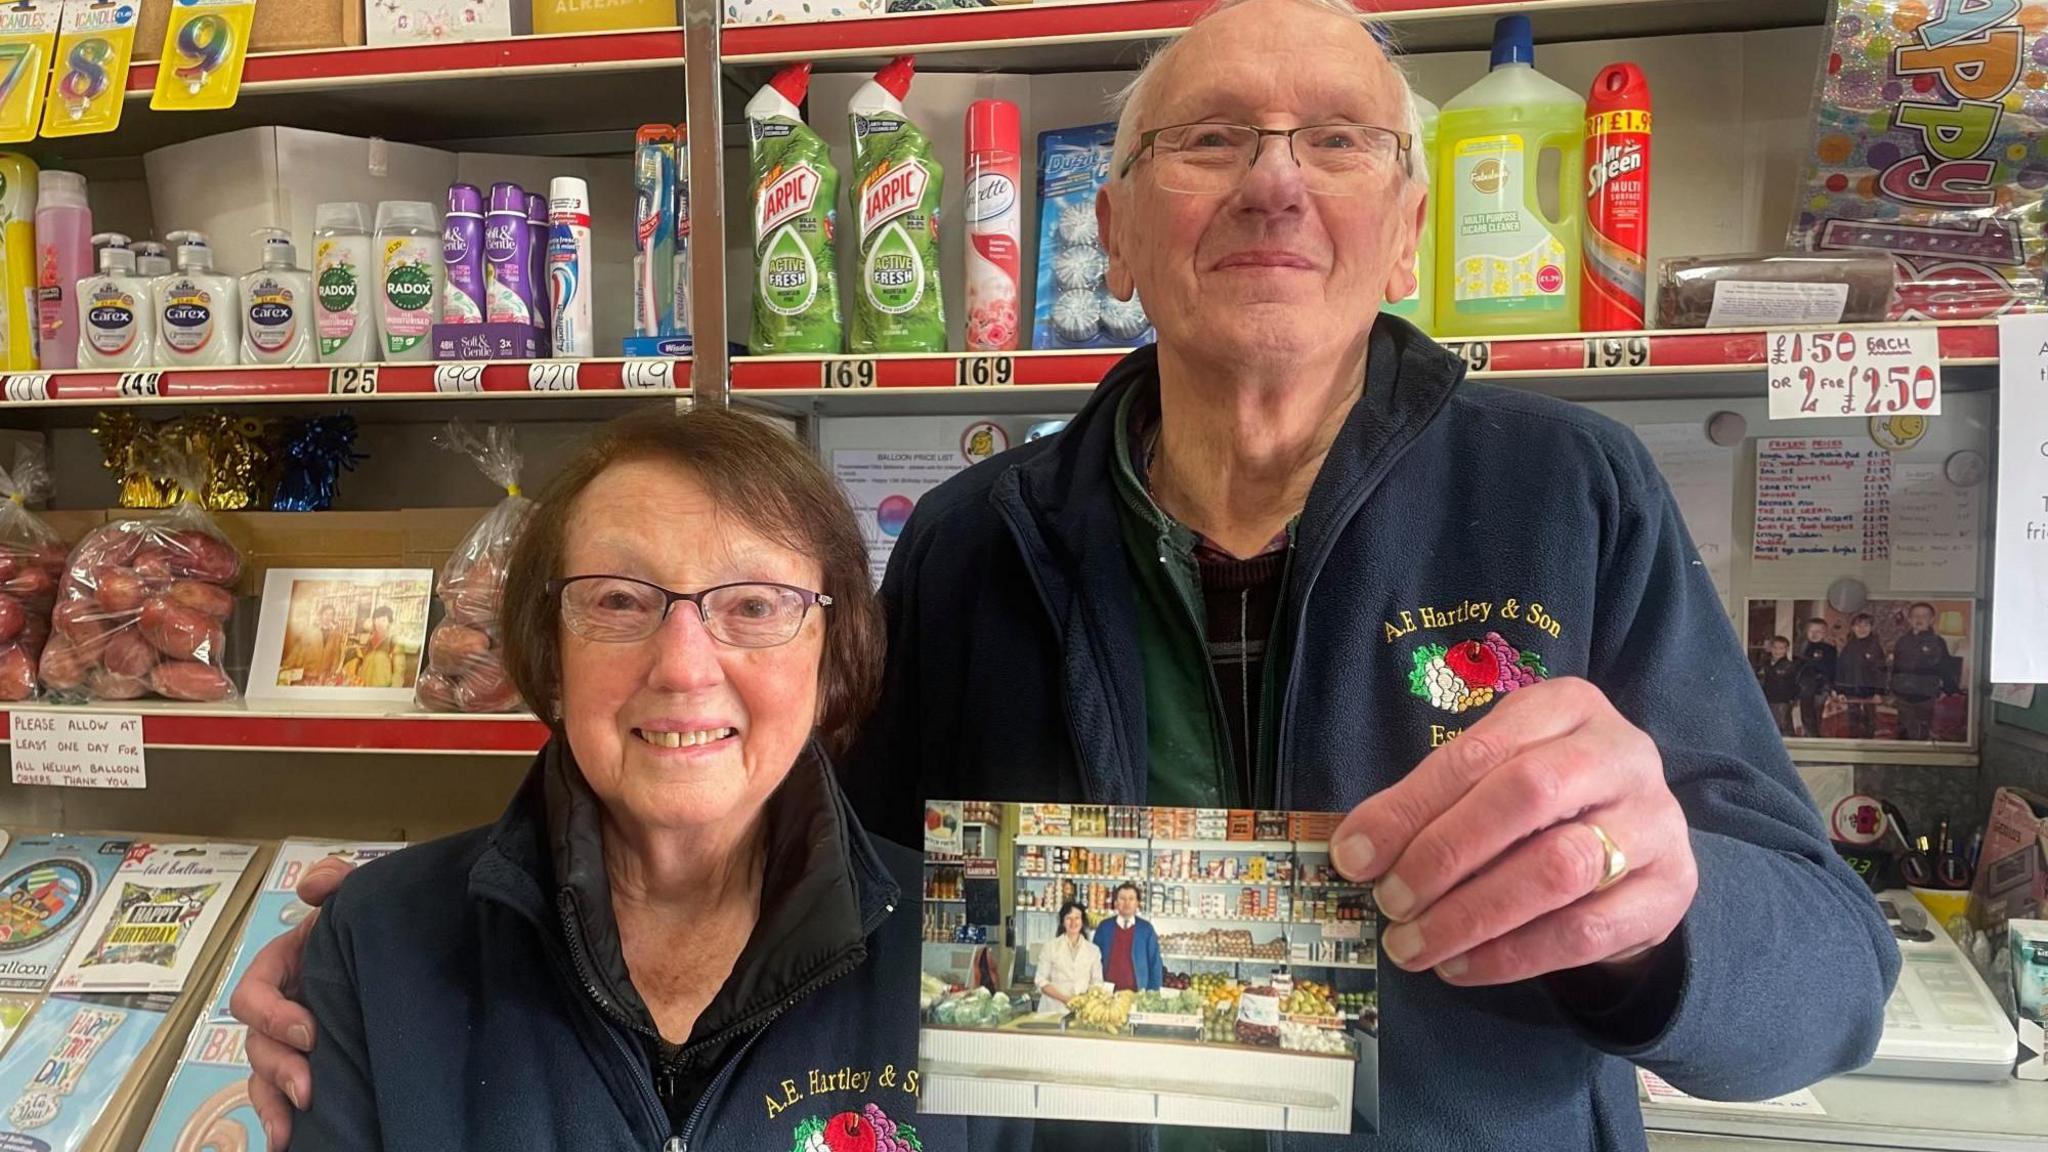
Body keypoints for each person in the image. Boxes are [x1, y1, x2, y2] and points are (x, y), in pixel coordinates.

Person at [238, 1, 1899, 1147]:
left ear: (1406, 229)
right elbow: (803, 894)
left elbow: (1817, 988)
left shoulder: (1572, 496)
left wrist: (1662, 910)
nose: (1271, 178)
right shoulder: (975, 542)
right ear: (1107, 233)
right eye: (1210, 140)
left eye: (1334, 138)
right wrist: (448, 951)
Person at [235, 409, 1018, 1152]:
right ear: (550, 655)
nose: (683, 666)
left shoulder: (977, 949)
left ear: (832, 656)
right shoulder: (378, 945)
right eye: (618, 600)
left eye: (753, 604)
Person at [1889, 602, 1951, 742]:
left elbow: (1945, 666)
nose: (1919, 619)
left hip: (1925, 695)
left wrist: (1946, 688)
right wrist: (1892, 687)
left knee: (1921, 731)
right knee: (1903, 731)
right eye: (1916, 616)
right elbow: (1895, 667)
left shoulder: (1937, 642)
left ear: (1931, 619)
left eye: (1924, 616)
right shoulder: (1902, 641)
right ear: (1910, 619)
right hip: (1903, 694)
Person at [1091, 883, 1163, 993]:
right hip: (1108, 994)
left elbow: (1155, 964)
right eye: (1122, 899)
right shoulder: (1104, 927)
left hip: (1137, 994)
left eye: (1131, 899)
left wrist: (1153, 992)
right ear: (1115, 903)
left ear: (1137, 903)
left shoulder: (1146, 929)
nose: (1127, 903)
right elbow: (1094, 961)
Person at [1034, 900, 1105, 1009]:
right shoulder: (1050, 947)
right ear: (1062, 921)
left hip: (1082, 1009)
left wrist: (1084, 1000)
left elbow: (1097, 983)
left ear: (1082, 921)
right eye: (1068, 918)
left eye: (1077, 918)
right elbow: (1041, 981)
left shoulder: (1093, 951)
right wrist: (1065, 999)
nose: (1073, 922)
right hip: (1053, 1009)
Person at [1837, 613, 1888, 739]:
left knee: (1870, 719)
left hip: (1869, 690)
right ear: (1853, 628)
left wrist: (1878, 692)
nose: (1862, 629)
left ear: (1871, 628)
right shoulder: (1847, 648)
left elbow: (1881, 671)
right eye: (1858, 625)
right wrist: (1840, 690)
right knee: (1853, 719)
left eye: (1866, 625)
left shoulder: (1875, 648)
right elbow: (1841, 670)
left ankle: (1868, 743)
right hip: (1851, 690)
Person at [1796, 617, 1837, 738]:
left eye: (1818, 631)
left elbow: (1832, 669)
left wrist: (1831, 686)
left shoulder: (1829, 650)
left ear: (1824, 633)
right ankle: (1810, 737)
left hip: (1820, 687)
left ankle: (1815, 739)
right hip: (1805, 687)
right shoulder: (1802, 648)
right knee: (1806, 715)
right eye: (1811, 631)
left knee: (1818, 715)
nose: (1814, 634)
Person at [1757, 636, 1799, 737]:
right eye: (1775, 648)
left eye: (1781, 648)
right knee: (1770, 725)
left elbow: (1788, 682)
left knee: (1783, 724)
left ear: (1787, 649)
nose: (1777, 651)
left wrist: (1793, 698)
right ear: (1770, 648)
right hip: (1767, 699)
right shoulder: (1765, 664)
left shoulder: (1790, 666)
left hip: (1782, 700)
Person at [350, 605, 399, 688]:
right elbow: (364, 658)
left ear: (389, 622)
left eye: (383, 620)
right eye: (376, 619)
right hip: (365, 682)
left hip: (382, 685)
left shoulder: (392, 640)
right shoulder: (370, 639)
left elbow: (398, 668)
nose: (379, 623)